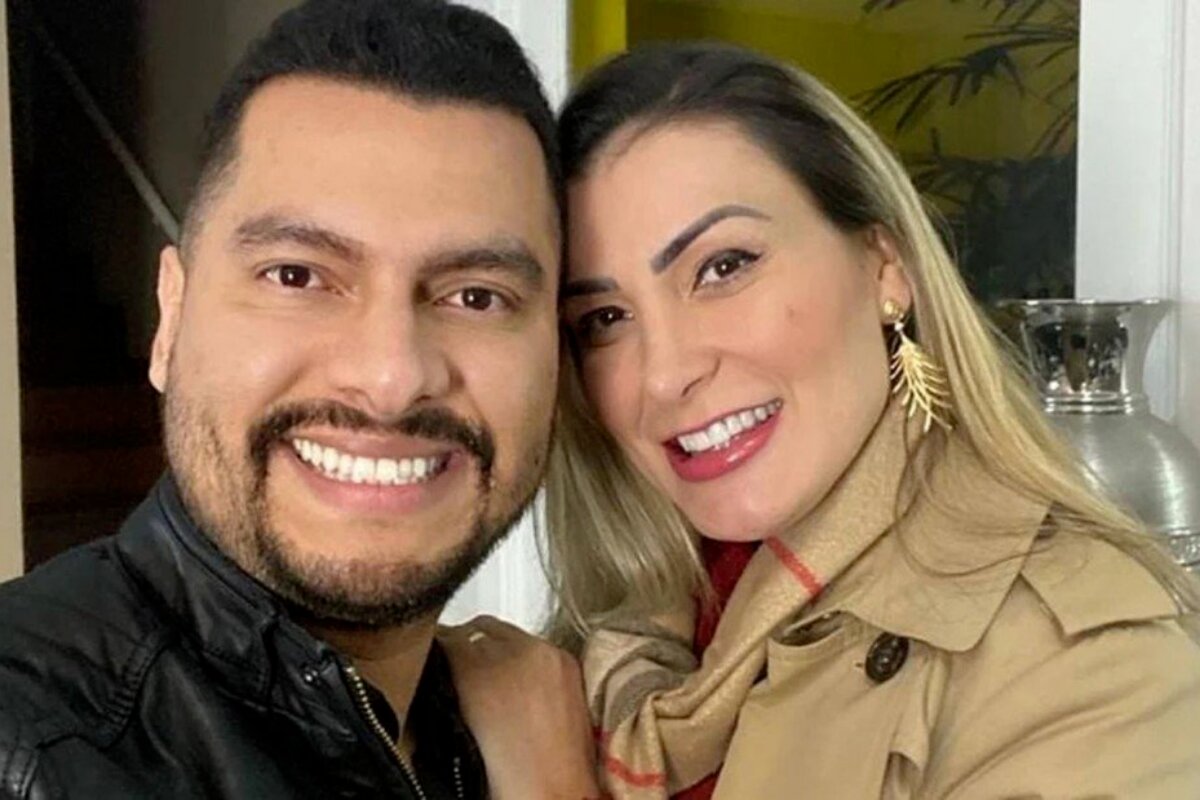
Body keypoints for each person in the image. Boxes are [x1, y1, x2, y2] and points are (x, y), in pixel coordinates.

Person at [523, 42, 1200, 798]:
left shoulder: (1089, 667)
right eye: (605, 318)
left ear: (885, 266)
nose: (664, 372)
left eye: (724, 266)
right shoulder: (613, 643)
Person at [0, 1, 598, 798]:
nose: (390, 379)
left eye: (476, 296)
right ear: (170, 318)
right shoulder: (26, 742)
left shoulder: (528, 728)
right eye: (298, 276)